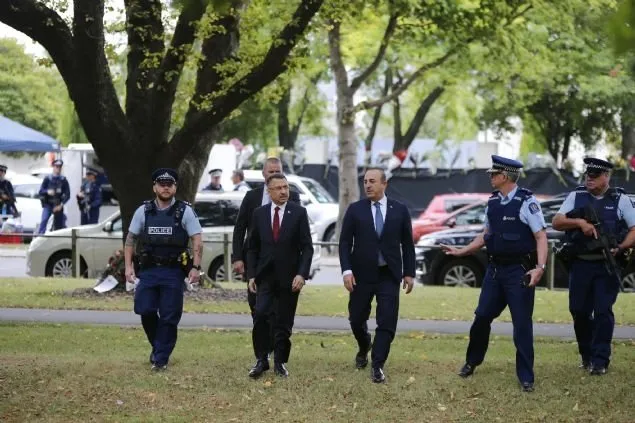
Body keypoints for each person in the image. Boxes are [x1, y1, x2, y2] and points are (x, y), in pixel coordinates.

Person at [441, 155, 547, 393]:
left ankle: (526, 377)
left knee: (521, 325)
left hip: (518, 272)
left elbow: (541, 237)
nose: (490, 176)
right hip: (495, 271)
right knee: (481, 318)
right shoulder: (493, 203)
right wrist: (462, 251)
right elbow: (486, 234)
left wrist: (539, 268)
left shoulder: (527, 202)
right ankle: (472, 361)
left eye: (493, 173)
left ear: (505, 176)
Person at [552, 157, 635, 375]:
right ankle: (586, 354)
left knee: (602, 312)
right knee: (578, 310)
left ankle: (600, 360)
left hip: (606, 266)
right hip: (580, 264)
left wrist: (621, 246)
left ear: (606, 176)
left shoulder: (620, 199)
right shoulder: (576, 196)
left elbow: (634, 229)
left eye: (595, 176)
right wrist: (579, 223)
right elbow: (557, 222)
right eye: (588, 174)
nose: (590, 179)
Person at [338, 167, 416, 384]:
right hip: (361, 275)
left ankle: (377, 364)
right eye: (365, 182)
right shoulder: (355, 210)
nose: (368, 185)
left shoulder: (399, 210)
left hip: (389, 275)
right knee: (356, 318)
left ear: (384, 184)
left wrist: (409, 273)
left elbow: (408, 245)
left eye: (372, 181)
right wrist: (347, 271)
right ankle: (364, 346)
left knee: (387, 321)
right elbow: (344, 244)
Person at [124, 168, 203, 371]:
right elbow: (130, 239)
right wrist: (128, 266)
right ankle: (158, 346)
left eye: (170, 184)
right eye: (162, 184)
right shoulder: (143, 211)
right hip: (148, 270)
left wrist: (195, 267)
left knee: (169, 315)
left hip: (173, 271)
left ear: (175, 187)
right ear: (155, 187)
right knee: (145, 309)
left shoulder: (185, 211)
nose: (166, 188)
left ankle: (160, 359)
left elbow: (197, 239)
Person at [231, 157, 301, 365]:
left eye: (278, 171)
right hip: (256, 259)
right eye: (270, 172)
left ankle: (274, 349)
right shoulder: (252, 197)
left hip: (283, 263)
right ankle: (262, 350)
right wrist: (238, 258)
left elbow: (299, 229)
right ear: (263, 175)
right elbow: (240, 228)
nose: (274, 174)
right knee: (258, 307)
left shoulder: (292, 196)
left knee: (280, 310)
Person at [246, 173, 313, 378]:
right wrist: (251, 275)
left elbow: (307, 248)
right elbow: (252, 248)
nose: (284, 191)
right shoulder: (259, 214)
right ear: (269, 190)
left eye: (286, 187)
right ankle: (261, 360)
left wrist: (301, 274)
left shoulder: (298, 213)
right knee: (261, 316)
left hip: (289, 277)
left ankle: (280, 362)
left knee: (284, 321)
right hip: (264, 276)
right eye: (279, 188)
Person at [37, 159, 70, 233]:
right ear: (53, 167)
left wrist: (61, 205)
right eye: (56, 166)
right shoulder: (47, 179)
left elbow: (68, 195)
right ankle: (40, 236)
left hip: (58, 205)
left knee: (59, 226)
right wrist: (47, 191)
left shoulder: (63, 180)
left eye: (59, 167)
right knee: (44, 220)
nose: (58, 168)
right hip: (48, 204)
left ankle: (58, 241)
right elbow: (40, 191)